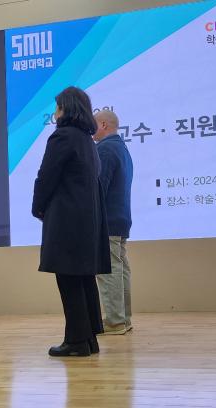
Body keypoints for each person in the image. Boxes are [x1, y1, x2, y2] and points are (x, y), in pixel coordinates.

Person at [32, 86, 110, 357]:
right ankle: (88, 339)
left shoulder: (62, 136)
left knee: (68, 279)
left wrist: (37, 207)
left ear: (66, 108)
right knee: (83, 279)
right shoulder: (87, 140)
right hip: (86, 221)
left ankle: (76, 342)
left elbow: (46, 175)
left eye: (57, 107)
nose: (55, 113)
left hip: (66, 219)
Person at [92, 110, 134, 335]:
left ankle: (115, 321)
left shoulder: (105, 149)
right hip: (121, 218)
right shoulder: (122, 149)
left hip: (107, 220)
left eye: (93, 125)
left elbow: (98, 188)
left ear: (103, 125)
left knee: (109, 270)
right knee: (120, 268)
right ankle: (123, 319)